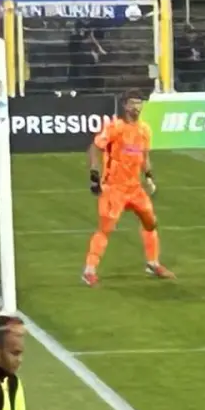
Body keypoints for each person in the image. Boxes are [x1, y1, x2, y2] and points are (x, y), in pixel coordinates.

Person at [85, 91, 172, 286]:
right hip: (113, 188)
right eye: (133, 103)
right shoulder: (115, 127)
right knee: (106, 228)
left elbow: (144, 157)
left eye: (140, 103)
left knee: (150, 222)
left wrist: (149, 177)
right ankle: (89, 270)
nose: (137, 107)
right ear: (125, 106)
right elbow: (95, 147)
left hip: (135, 188)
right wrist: (94, 174)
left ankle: (153, 263)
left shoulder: (144, 130)